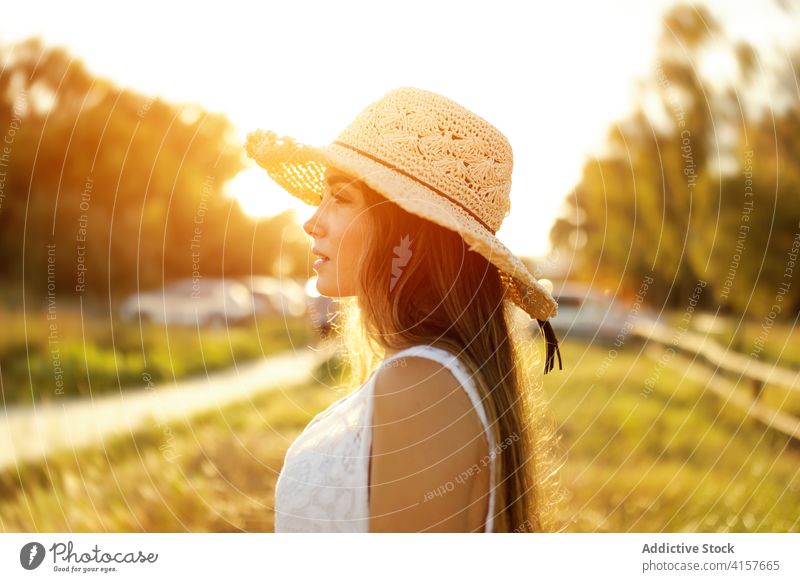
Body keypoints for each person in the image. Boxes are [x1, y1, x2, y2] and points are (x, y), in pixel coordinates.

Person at [245, 87, 565, 533]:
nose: (311, 220)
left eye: (339, 199)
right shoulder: (424, 374)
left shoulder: (421, 384)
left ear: (406, 232)